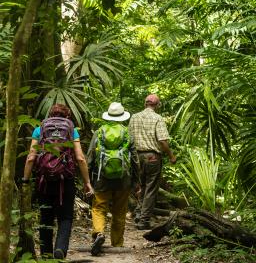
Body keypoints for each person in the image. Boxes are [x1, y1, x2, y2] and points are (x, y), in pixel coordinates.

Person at [22, 103, 93, 260]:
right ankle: (60, 249)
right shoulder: (71, 130)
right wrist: (87, 182)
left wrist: (25, 180)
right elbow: (80, 158)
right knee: (65, 217)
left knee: (45, 216)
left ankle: (46, 256)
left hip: (44, 180)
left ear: (50, 115)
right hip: (65, 179)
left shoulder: (39, 129)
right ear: (67, 116)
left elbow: (31, 157)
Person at [87, 102, 140, 256]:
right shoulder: (127, 133)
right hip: (123, 179)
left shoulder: (99, 132)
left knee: (99, 208)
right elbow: (135, 159)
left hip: (101, 177)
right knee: (119, 211)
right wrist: (136, 181)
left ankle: (99, 233)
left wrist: (87, 180)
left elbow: (90, 156)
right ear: (122, 117)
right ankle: (117, 243)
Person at [128, 94, 176, 230]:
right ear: (157, 105)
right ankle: (144, 220)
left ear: (145, 104)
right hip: (152, 157)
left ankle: (138, 213)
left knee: (142, 185)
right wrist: (171, 156)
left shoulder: (134, 117)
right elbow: (162, 140)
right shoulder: (157, 118)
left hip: (136, 156)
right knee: (150, 188)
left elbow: (129, 138)